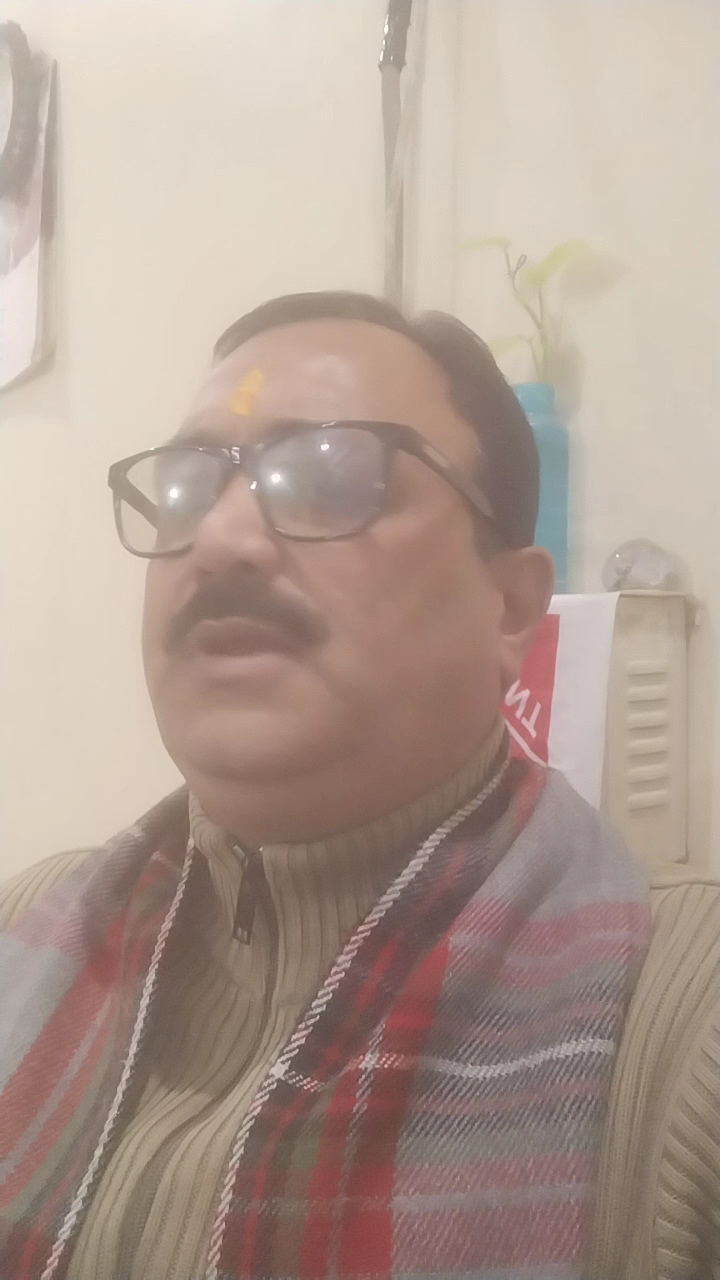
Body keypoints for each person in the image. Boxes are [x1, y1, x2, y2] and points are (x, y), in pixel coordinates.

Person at [0, 291, 717, 1280]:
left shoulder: (684, 1032)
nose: (221, 538)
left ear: (511, 608)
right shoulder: (28, 931)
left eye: (331, 475)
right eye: (188, 486)